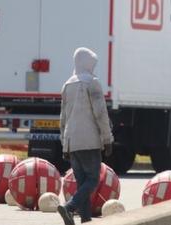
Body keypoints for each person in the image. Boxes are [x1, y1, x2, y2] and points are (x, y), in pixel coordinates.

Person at [58, 47, 114, 225]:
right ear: (85, 63)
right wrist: (108, 139)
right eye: (92, 64)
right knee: (93, 179)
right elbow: (100, 114)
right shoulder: (92, 83)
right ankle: (69, 207)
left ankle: (85, 219)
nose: (93, 68)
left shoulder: (67, 85)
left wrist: (64, 144)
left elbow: (63, 118)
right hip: (89, 141)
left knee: (82, 182)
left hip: (72, 141)